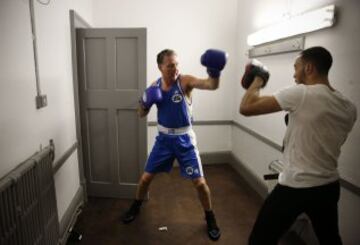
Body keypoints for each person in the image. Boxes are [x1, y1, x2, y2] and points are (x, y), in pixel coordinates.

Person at [239, 46, 357, 245]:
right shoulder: (348, 107)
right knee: (330, 239)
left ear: (309, 68)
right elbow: (325, 138)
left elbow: (246, 107)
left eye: (296, 67)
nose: (294, 74)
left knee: (260, 240)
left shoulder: (302, 94)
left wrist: (258, 79)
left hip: (295, 186)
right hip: (328, 186)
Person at [121, 48, 228, 241]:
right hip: (163, 140)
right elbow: (140, 114)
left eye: (177, 64)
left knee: (200, 184)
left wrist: (215, 73)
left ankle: (210, 217)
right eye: (170, 66)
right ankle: (135, 206)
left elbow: (211, 85)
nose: (175, 69)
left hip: (185, 140)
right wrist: (144, 102)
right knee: (145, 178)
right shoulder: (155, 86)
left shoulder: (185, 81)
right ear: (161, 67)